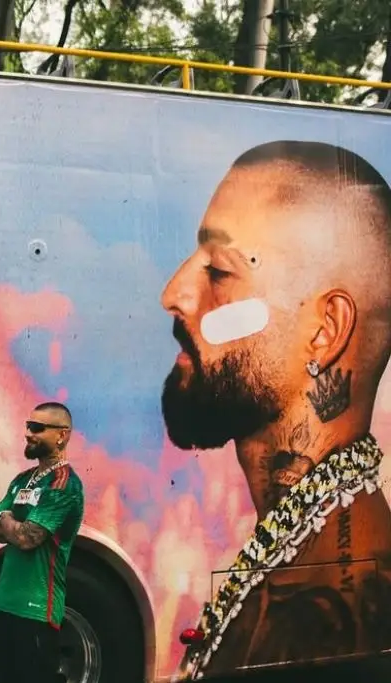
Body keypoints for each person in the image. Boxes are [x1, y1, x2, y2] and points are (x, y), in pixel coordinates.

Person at [160, 140, 391, 679]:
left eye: (219, 271)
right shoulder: (298, 545)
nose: (175, 294)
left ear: (325, 331)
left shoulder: (334, 620)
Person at [0, 401, 85, 683]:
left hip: (36, 610)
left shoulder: (63, 485)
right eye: (28, 426)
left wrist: (6, 516)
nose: (28, 433)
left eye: (37, 428)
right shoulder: (22, 480)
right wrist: (12, 524)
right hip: (3, 603)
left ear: (62, 435)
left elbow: (27, 538)